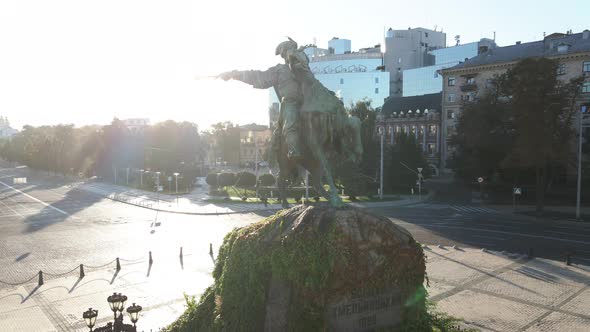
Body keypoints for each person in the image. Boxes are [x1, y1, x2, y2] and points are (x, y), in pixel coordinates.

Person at [219, 41, 302, 160]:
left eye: (285, 54)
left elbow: (259, 78)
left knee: (289, 126)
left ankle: (294, 151)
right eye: (284, 55)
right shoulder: (281, 70)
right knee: (284, 127)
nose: (286, 57)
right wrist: (235, 75)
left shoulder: (299, 67)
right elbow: (258, 77)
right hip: (293, 103)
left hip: (294, 102)